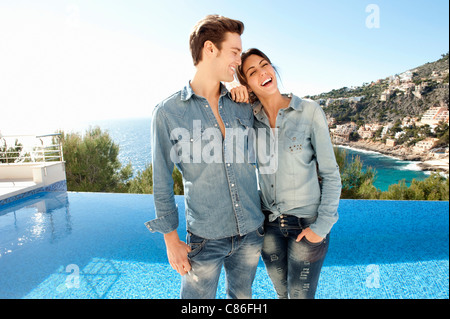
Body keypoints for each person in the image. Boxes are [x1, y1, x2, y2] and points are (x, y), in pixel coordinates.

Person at [145, 16, 265, 299]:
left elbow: (276, 118)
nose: (239, 60)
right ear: (210, 49)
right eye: (235, 52)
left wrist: (251, 92)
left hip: (250, 231)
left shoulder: (242, 104)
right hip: (205, 238)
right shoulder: (168, 113)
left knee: (242, 298)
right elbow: (161, 181)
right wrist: (171, 240)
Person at [232, 48, 342, 299]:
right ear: (247, 84)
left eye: (264, 65)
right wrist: (231, 91)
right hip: (269, 225)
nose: (263, 72)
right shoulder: (250, 119)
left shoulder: (309, 111)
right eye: (252, 72)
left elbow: (331, 174)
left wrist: (322, 227)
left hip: (307, 224)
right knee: (282, 294)